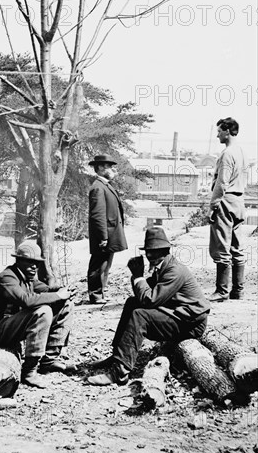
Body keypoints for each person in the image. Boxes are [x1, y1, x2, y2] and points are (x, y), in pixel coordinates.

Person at [87, 227, 210, 386]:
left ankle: (120, 372)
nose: (150, 256)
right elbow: (141, 295)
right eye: (148, 252)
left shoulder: (174, 271)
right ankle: (118, 355)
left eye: (154, 252)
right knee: (132, 303)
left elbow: (149, 300)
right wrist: (138, 277)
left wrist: (138, 276)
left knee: (140, 315)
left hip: (190, 324)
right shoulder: (163, 267)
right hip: (178, 315)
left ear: (165, 251)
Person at [0, 242, 75, 388]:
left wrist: (61, 290)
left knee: (66, 305)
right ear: (18, 261)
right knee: (43, 311)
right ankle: (29, 371)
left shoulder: (27, 278)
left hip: (10, 328)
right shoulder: (7, 277)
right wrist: (58, 295)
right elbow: (26, 300)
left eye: (37, 263)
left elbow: (46, 290)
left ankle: (48, 361)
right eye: (30, 262)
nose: (34, 267)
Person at [208, 117, 248, 302]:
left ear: (227, 131)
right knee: (237, 248)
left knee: (221, 247)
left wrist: (213, 205)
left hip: (225, 201)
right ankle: (238, 291)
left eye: (219, 131)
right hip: (239, 201)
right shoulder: (241, 152)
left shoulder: (227, 153)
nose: (217, 135)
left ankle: (222, 291)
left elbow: (221, 182)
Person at [87, 154, 127, 304]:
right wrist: (103, 236)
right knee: (98, 265)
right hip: (105, 234)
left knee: (105, 265)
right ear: (101, 168)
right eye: (109, 166)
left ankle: (101, 293)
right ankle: (96, 295)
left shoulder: (105, 185)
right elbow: (98, 215)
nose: (112, 169)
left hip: (110, 233)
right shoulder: (98, 187)